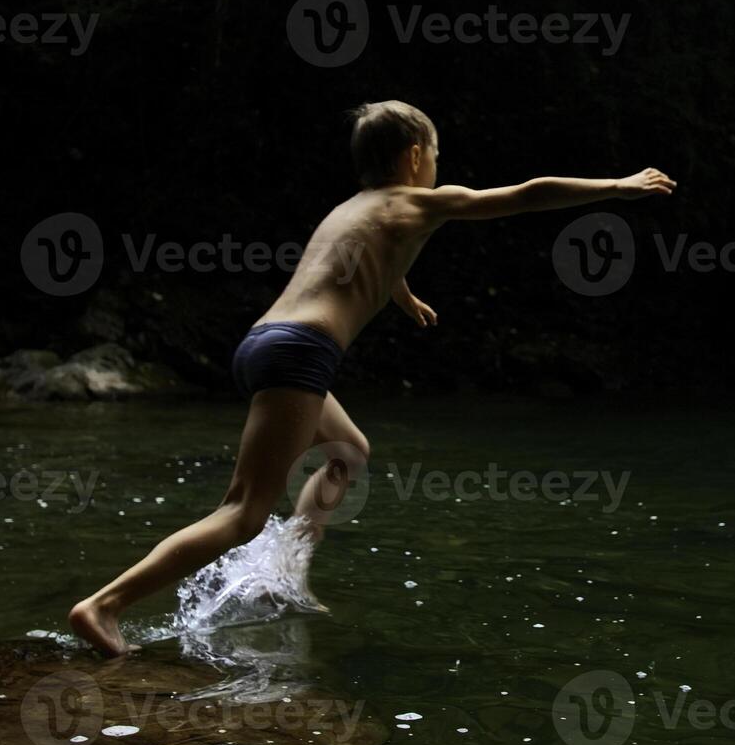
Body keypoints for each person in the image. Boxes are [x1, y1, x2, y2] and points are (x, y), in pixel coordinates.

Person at [69, 100, 675, 656]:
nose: (438, 166)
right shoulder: (416, 202)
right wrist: (617, 186)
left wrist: (403, 296)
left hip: (264, 345)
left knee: (348, 452)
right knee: (243, 511)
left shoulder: (353, 210)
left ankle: (283, 572)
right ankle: (104, 605)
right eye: (435, 155)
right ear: (415, 157)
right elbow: (524, 194)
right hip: (300, 353)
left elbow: (361, 262)